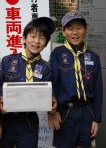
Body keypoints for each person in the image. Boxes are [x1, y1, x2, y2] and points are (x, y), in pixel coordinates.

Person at [48, 11, 103, 148]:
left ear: (85, 30)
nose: (75, 33)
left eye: (79, 28)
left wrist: (97, 119)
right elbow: (51, 85)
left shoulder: (93, 57)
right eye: (70, 28)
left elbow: (98, 89)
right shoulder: (57, 54)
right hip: (65, 113)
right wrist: (51, 112)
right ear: (63, 31)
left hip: (87, 113)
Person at [0, 16, 56, 148]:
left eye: (42, 38)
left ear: (46, 43)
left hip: (29, 124)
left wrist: (52, 105)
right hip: (5, 121)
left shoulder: (46, 68)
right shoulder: (7, 61)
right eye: (33, 36)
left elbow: (48, 94)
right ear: (24, 38)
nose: (36, 41)